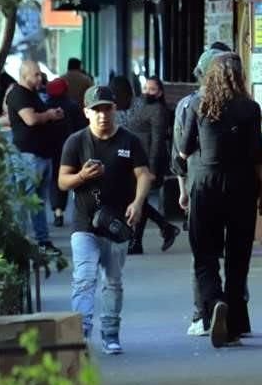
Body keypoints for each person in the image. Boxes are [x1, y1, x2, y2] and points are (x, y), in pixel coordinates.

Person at [178, 53, 262, 348]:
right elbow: (257, 152)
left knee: (204, 254)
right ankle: (235, 325)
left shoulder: (197, 104)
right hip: (242, 186)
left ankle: (215, 303)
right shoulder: (251, 108)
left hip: (206, 183)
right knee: (237, 257)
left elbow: (184, 148)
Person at [58, 85, 151, 355]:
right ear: (87, 112)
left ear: (115, 110)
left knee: (113, 280)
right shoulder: (76, 142)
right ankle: (81, 334)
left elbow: (144, 174)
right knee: (84, 278)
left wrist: (138, 202)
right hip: (85, 224)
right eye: (96, 110)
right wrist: (81, 178)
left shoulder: (129, 141)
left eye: (107, 108)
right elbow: (62, 181)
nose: (102, 115)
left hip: (117, 225)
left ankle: (111, 334)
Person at [172, 44, 231, 336]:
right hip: (233, 187)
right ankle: (234, 311)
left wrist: (182, 189)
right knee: (233, 251)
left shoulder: (188, 104)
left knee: (203, 253)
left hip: (200, 185)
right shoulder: (241, 102)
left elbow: (179, 153)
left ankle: (203, 313)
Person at [5, 60, 64, 255]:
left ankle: (42, 241)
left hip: (42, 155)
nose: (41, 78)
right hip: (27, 156)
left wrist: (52, 115)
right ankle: (20, 242)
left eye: (40, 74)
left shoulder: (33, 95)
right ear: (25, 76)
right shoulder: (18, 94)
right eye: (36, 74)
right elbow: (30, 119)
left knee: (38, 202)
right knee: (25, 201)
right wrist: (48, 115)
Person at [126, 76, 180, 254]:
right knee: (137, 200)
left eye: (152, 89)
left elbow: (157, 142)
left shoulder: (158, 110)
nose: (147, 92)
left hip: (148, 161)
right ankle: (164, 228)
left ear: (160, 93)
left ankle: (137, 241)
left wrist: (152, 169)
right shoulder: (138, 103)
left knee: (138, 199)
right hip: (133, 159)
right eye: (145, 88)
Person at [45, 77, 85, 227]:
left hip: (52, 149)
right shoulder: (73, 106)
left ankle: (58, 212)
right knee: (78, 179)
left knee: (55, 181)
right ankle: (81, 211)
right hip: (72, 148)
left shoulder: (45, 106)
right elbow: (82, 127)